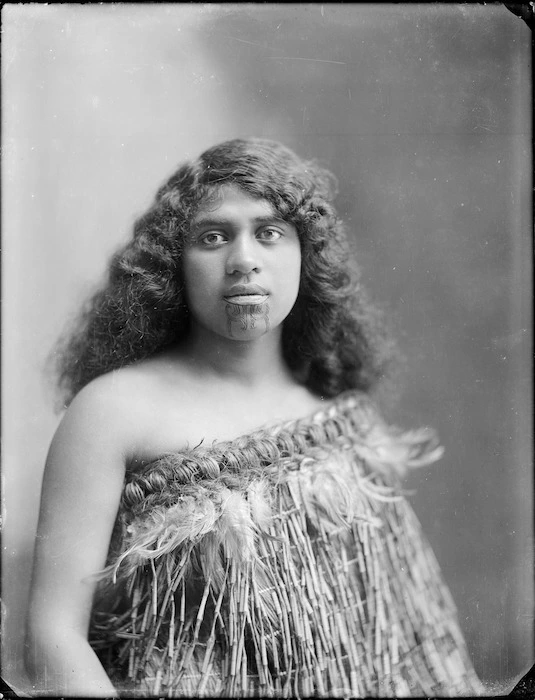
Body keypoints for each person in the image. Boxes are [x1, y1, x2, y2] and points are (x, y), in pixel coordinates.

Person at [25, 138, 484, 697]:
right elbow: (53, 637)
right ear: (174, 262)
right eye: (214, 237)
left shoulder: (336, 417)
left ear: (305, 256)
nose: (243, 259)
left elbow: (419, 636)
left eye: (269, 233)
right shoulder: (112, 413)